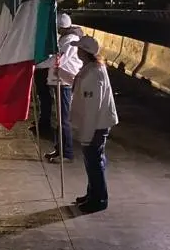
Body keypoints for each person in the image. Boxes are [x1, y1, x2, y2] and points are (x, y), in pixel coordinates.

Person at [70, 35, 119, 213]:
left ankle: (99, 199)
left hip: (95, 125)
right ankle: (92, 193)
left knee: (94, 162)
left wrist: (87, 134)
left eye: (79, 48)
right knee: (92, 161)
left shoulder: (93, 75)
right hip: (95, 123)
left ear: (85, 52)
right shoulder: (92, 68)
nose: (77, 51)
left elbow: (92, 108)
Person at [38, 13, 82, 162]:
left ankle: (67, 153)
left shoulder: (70, 41)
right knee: (60, 118)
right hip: (60, 81)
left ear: (61, 28)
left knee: (64, 119)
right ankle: (60, 149)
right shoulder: (64, 38)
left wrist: (37, 65)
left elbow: (58, 60)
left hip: (65, 83)